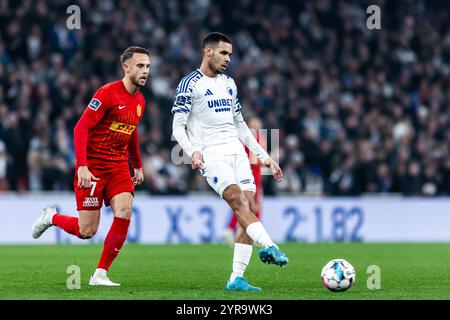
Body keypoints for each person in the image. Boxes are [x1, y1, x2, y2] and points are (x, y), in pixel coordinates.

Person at [171, 32, 288, 292]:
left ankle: (236, 278)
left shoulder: (229, 83)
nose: (228, 59)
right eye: (224, 53)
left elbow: (241, 126)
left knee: (250, 207)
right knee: (237, 201)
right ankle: (270, 245)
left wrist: (265, 156)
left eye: (230, 55)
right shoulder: (190, 83)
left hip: (237, 152)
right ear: (208, 52)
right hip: (211, 154)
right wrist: (192, 151)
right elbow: (178, 126)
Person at [31, 46, 150, 286]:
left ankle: (100, 274)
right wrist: (82, 166)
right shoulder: (107, 93)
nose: (145, 71)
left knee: (125, 210)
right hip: (94, 166)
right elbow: (80, 128)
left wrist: (137, 165)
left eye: (147, 66)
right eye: (140, 66)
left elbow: (131, 133)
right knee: (87, 231)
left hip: (118, 166)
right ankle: (51, 217)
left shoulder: (140, 101)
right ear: (125, 68)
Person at [223, 116, 266, 245]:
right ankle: (254, 235)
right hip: (253, 176)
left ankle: (233, 229)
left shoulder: (241, 139)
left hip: (242, 174)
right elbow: (260, 161)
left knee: (242, 204)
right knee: (253, 206)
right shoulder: (259, 140)